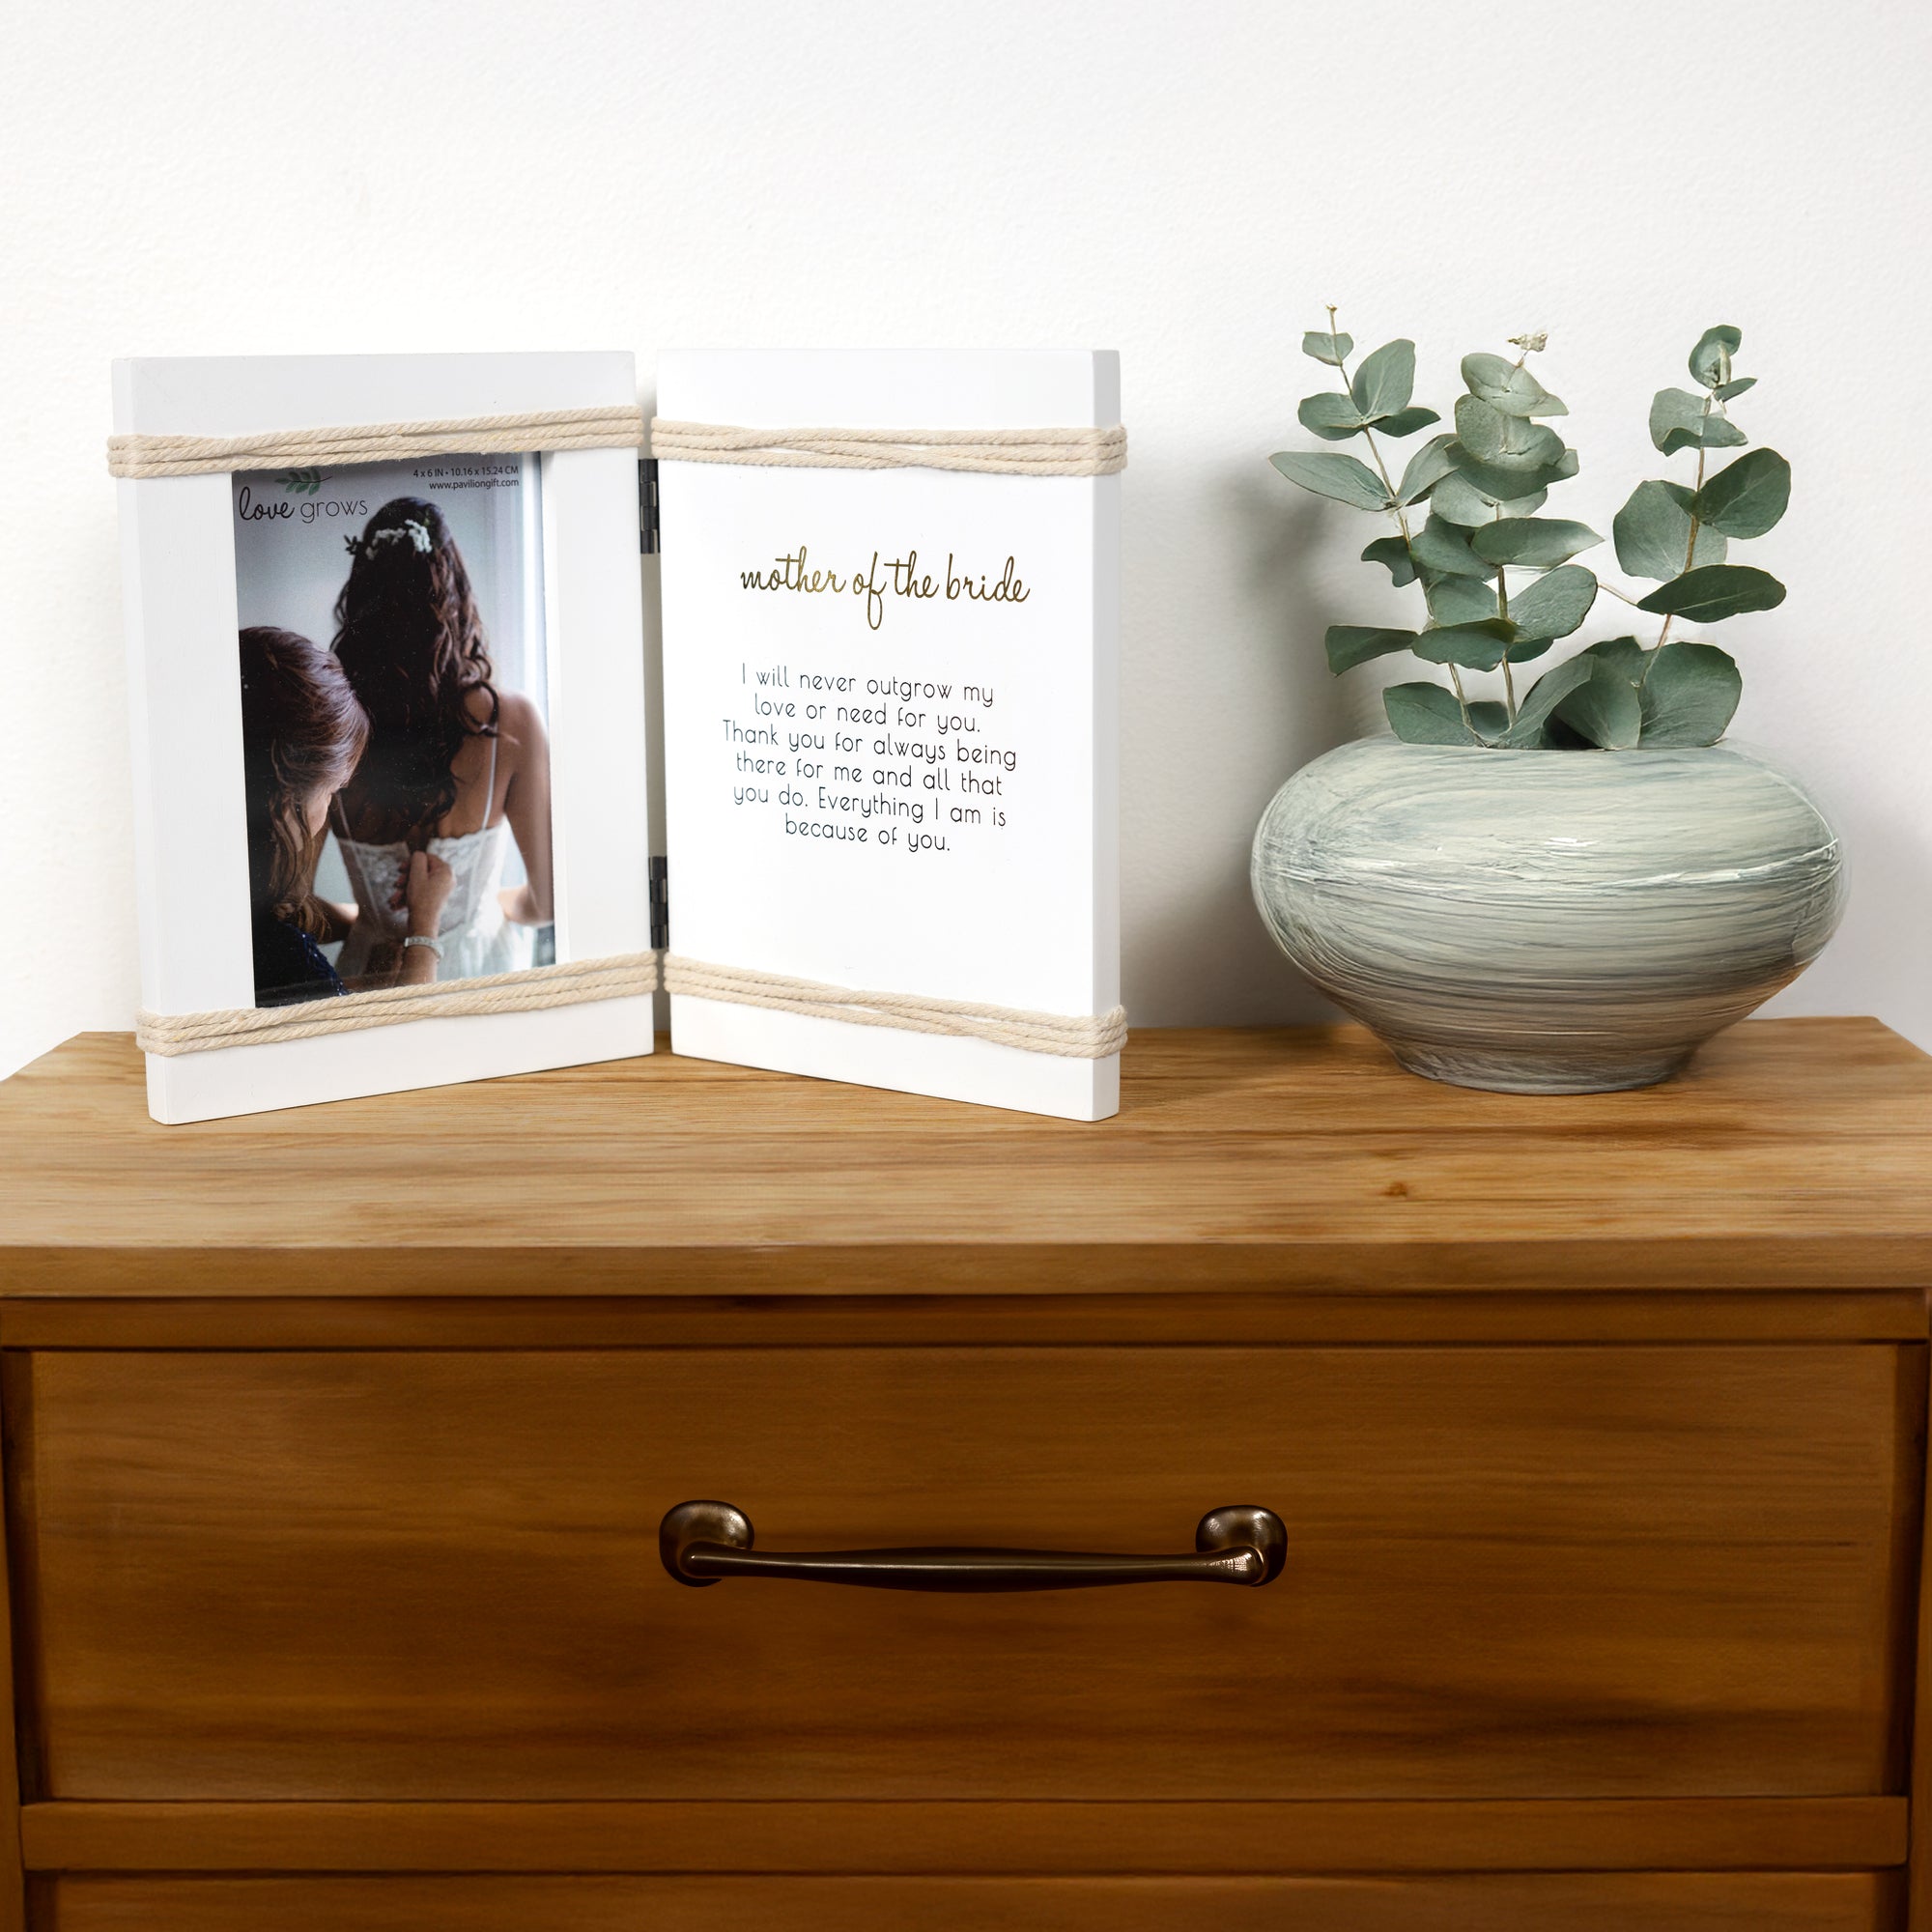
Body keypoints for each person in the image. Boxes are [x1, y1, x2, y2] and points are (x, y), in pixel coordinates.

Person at [327, 497, 553, 985]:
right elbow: (548, 902)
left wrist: (366, 920)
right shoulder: (513, 722)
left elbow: (288, 903)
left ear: (360, 597)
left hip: (372, 971)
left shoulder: (333, 727)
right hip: (481, 973)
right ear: (454, 592)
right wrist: (488, 906)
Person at [239, 626, 452, 1007]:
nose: (329, 808)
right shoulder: (286, 952)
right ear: (287, 800)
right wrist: (425, 927)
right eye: (332, 791)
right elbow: (409, 1037)